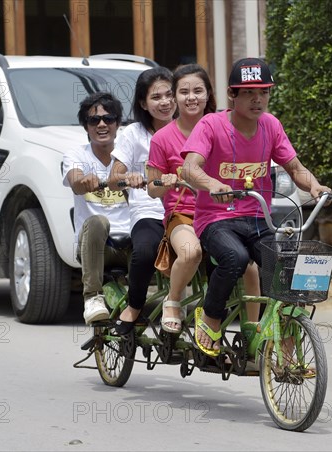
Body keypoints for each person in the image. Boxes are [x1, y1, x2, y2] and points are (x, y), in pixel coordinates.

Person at [181, 57, 332, 357]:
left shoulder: (271, 126)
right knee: (235, 258)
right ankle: (210, 317)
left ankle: (287, 344)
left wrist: (315, 185)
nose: (257, 99)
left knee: (284, 271)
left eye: (263, 92)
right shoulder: (211, 125)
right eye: (248, 92)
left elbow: (295, 168)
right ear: (232, 95)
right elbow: (189, 168)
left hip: (258, 219)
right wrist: (213, 185)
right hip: (216, 220)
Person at [147, 63, 261, 334]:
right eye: (184, 91)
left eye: (198, 90)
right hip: (184, 215)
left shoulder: (226, 126)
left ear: (209, 94)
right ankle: (173, 301)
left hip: (226, 215)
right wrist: (167, 181)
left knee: (251, 267)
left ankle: (254, 332)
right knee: (191, 252)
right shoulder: (162, 138)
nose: (192, 97)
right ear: (174, 97)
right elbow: (152, 188)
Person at [108, 67, 176, 334]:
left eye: (169, 95)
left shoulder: (191, 128)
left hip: (190, 208)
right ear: (143, 103)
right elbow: (114, 178)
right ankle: (134, 308)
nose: (165, 102)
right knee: (145, 252)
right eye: (156, 97)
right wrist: (131, 178)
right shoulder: (133, 134)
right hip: (149, 209)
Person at [62, 92, 131, 325]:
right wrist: (84, 182)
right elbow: (75, 182)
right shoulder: (76, 155)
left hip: (132, 245)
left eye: (109, 119)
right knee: (98, 221)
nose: (102, 124)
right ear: (86, 127)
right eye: (94, 120)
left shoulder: (130, 154)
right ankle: (92, 297)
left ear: (118, 124)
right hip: (96, 247)